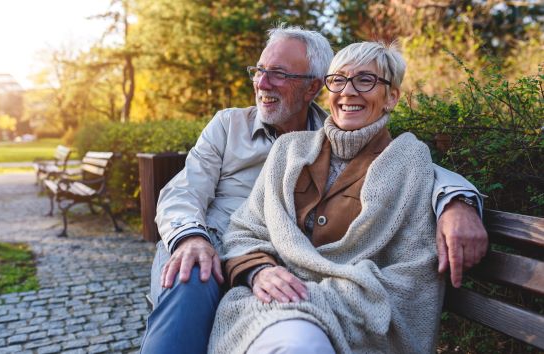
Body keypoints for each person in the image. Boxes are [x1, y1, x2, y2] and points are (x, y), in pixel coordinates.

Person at [140, 26, 487, 354]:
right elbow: (183, 192)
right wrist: (192, 239)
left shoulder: (347, 137)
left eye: (279, 73)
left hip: (280, 277)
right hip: (211, 247)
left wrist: (458, 201)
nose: (263, 82)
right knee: (190, 277)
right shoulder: (234, 127)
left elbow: (409, 165)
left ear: (312, 88)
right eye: (259, 70)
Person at [209, 40, 444, 353]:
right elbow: (245, 230)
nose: (348, 91)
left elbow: (413, 273)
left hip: (352, 315)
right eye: (338, 80)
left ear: (392, 97)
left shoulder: (410, 161)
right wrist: (259, 270)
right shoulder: (288, 151)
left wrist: (311, 297)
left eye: (366, 80)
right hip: (266, 306)